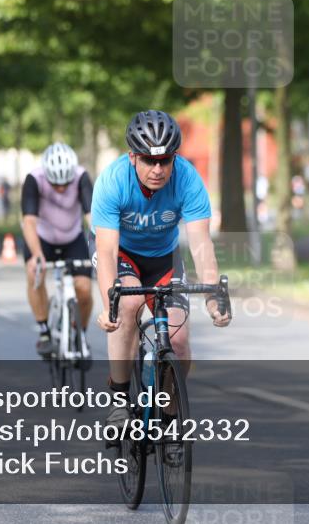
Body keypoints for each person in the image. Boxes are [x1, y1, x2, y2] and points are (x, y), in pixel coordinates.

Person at [92, 110, 231, 428]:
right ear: (132, 157)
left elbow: (200, 244)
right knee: (128, 304)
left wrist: (212, 297)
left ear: (174, 158)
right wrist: (109, 306)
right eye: (149, 161)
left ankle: (167, 412)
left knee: (179, 341)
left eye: (165, 161)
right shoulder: (112, 182)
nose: (158, 169)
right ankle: (119, 397)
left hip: (164, 257)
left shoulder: (188, 179)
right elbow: (107, 249)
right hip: (122, 254)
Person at [20, 142, 95, 357]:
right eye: (55, 184)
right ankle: (44, 332)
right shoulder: (34, 179)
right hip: (42, 238)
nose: (61, 188)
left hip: (72, 238)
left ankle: (77, 334)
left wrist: (100, 245)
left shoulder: (81, 176)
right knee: (35, 271)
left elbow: (92, 217)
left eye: (65, 183)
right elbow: (29, 222)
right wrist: (36, 255)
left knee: (84, 289)